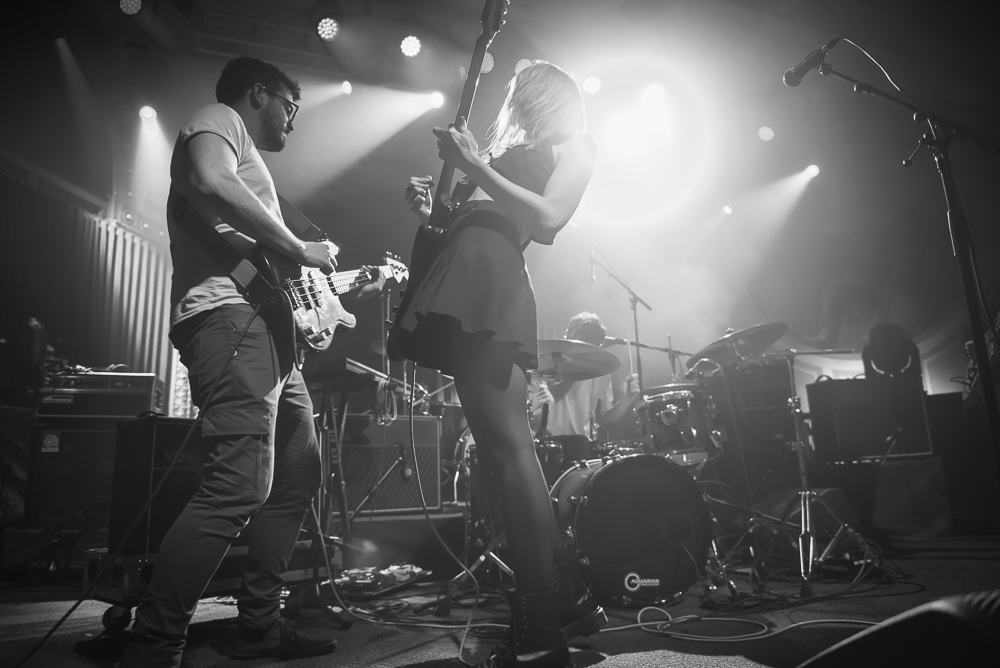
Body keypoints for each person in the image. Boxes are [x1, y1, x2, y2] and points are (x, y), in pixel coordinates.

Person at [122, 56, 380, 667]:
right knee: (237, 484)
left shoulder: (257, 171)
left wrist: (334, 287)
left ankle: (260, 626)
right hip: (228, 320)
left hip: (268, 331)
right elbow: (211, 181)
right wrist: (297, 246)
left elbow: (275, 271)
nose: (294, 119)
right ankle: (154, 643)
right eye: (291, 106)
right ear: (260, 93)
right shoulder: (218, 119)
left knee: (296, 474)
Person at [394, 61, 600, 667]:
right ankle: (568, 602)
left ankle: (541, 627)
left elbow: (548, 218)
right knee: (500, 452)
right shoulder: (512, 152)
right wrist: (434, 206)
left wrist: (475, 165)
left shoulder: (575, 143)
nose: (511, 96)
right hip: (466, 279)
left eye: (519, 89)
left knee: (510, 452)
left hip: (490, 285)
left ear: (544, 95)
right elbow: (469, 221)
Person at [528, 312, 641, 463]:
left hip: (580, 444)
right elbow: (530, 422)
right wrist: (546, 402)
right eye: (583, 338)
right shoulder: (543, 366)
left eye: (593, 340)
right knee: (580, 443)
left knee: (620, 453)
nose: (587, 343)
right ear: (567, 337)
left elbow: (605, 421)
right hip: (547, 445)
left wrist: (624, 401)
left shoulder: (601, 370)